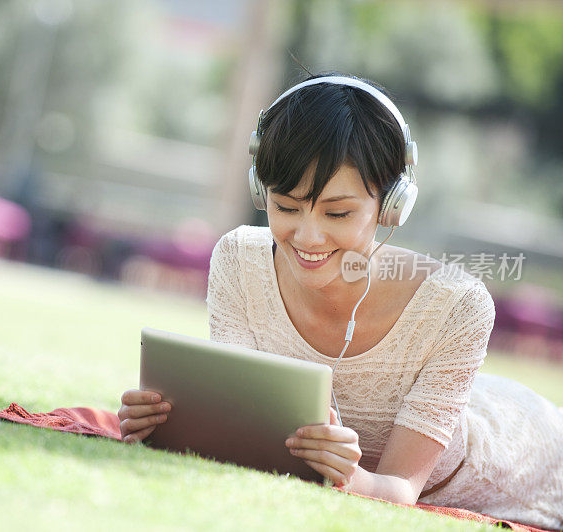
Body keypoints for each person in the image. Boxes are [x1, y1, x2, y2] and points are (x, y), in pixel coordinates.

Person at [117, 72, 563, 529]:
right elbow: (241, 433)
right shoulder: (238, 260)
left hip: (528, 459)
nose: (308, 237)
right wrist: (167, 423)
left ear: (392, 203)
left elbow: (398, 490)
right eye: (286, 207)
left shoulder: (457, 306)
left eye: (338, 212)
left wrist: (353, 478)